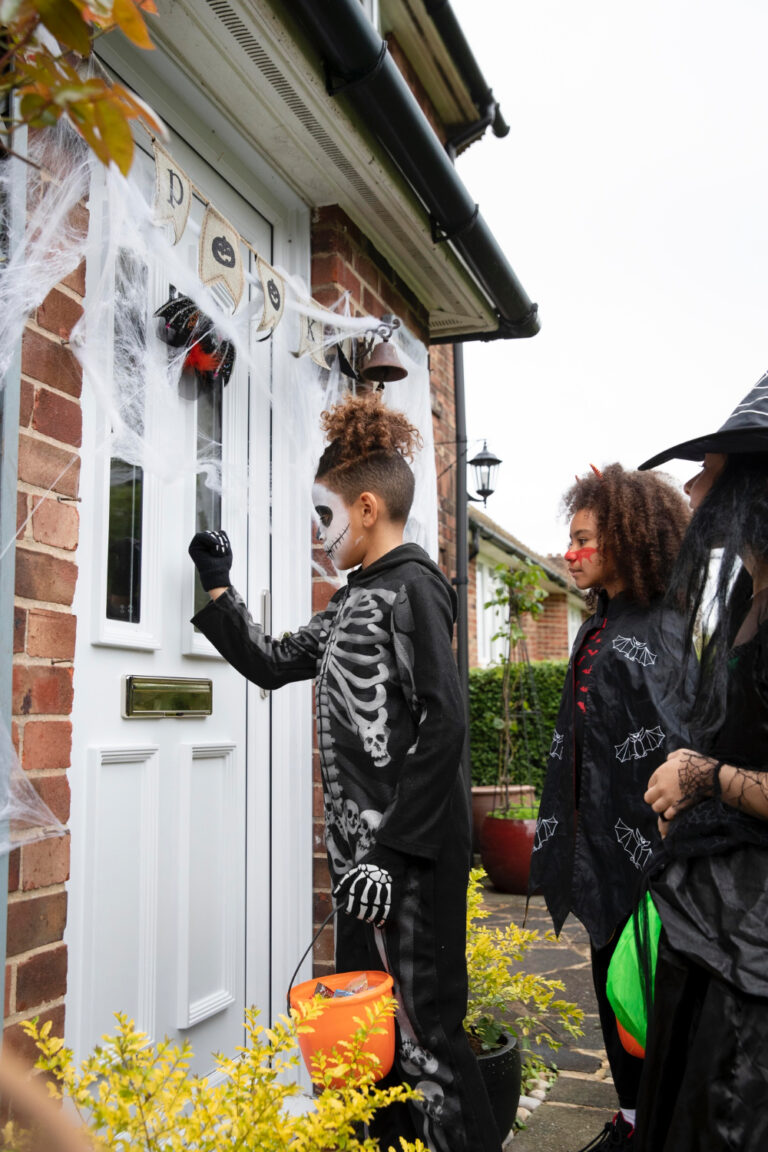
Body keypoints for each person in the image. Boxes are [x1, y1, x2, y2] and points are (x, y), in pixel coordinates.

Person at [188, 392, 501, 1152]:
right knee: (370, 1039)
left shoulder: (415, 589)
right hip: (367, 868)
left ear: (366, 509)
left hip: (409, 861)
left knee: (428, 1037)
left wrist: (391, 857)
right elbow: (270, 662)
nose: (317, 536)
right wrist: (218, 585)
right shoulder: (353, 599)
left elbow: (445, 722)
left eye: (324, 518)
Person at [528, 463, 691, 1151]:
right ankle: (629, 1120)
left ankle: (651, 1126)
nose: (570, 552)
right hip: (597, 856)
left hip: (646, 867)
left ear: (625, 539)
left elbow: (677, 751)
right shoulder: (597, 625)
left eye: (584, 538)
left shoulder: (661, 633)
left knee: (644, 1006)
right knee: (611, 991)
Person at [635, 376, 768, 1152]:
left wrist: (703, 777)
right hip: (713, 929)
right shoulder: (751, 591)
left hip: (753, 962)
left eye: (711, 470)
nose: (691, 488)